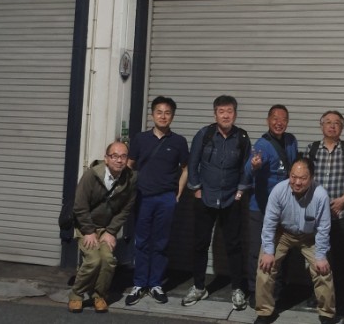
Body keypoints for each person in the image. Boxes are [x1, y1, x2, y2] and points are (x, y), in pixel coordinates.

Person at [183, 95, 251, 310]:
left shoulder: (242, 137)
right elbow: (192, 163)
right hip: (205, 198)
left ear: (235, 114)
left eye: (229, 111)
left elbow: (246, 167)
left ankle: (237, 289)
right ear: (215, 114)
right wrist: (196, 189)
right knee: (200, 244)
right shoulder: (204, 134)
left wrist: (240, 191)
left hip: (231, 199)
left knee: (234, 245)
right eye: (221, 111)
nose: (225, 115)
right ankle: (198, 286)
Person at [124, 96, 189, 305]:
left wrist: (178, 193)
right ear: (152, 115)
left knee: (161, 242)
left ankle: (155, 284)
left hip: (166, 198)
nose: (163, 116)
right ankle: (139, 283)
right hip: (143, 197)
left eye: (167, 113)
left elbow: (186, 168)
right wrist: (127, 191)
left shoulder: (178, 141)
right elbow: (130, 165)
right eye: (159, 112)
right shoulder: (140, 139)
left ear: (172, 116)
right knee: (142, 241)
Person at [253, 159, 336, 324]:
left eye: (303, 178)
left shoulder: (320, 195)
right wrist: (268, 251)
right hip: (283, 233)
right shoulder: (279, 190)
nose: (297, 182)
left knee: (323, 271)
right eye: (293, 176)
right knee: (265, 267)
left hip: (310, 237)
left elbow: (323, 228)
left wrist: (320, 256)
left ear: (311, 178)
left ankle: (327, 314)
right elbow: (269, 223)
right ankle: (264, 312)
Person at [68, 141, 136, 313]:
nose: (119, 160)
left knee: (108, 260)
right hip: (86, 226)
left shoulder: (130, 179)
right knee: (93, 260)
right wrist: (89, 231)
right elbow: (80, 206)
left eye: (123, 156)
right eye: (114, 156)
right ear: (106, 158)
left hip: (106, 228)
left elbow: (125, 209)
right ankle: (76, 294)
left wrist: (111, 231)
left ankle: (99, 295)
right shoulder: (91, 176)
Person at [304, 110, 344, 316]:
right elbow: (305, 179)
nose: (332, 125)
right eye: (328, 122)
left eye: (336, 122)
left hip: (341, 214)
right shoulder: (312, 149)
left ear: (342, 127)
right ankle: (319, 294)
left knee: (340, 258)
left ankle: (339, 296)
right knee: (316, 257)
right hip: (316, 216)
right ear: (321, 126)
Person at [244, 104, 299, 305]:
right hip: (260, 207)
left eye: (283, 119)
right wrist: (254, 165)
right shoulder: (262, 145)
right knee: (257, 251)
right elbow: (248, 170)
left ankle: (278, 290)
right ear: (268, 120)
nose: (279, 122)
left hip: (284, 208)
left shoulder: (291, 141)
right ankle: (254, 290)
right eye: (275, 118)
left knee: (282, 250)